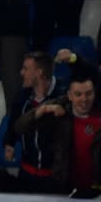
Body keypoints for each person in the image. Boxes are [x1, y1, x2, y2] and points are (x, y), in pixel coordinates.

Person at [6, 51, 64, 191]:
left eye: (25, 69)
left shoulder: (63, 94)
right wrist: (10, 143)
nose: (21, 73)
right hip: (26, 173)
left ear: (39, 72)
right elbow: (14, 123)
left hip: (54, 177)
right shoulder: (22, 96)